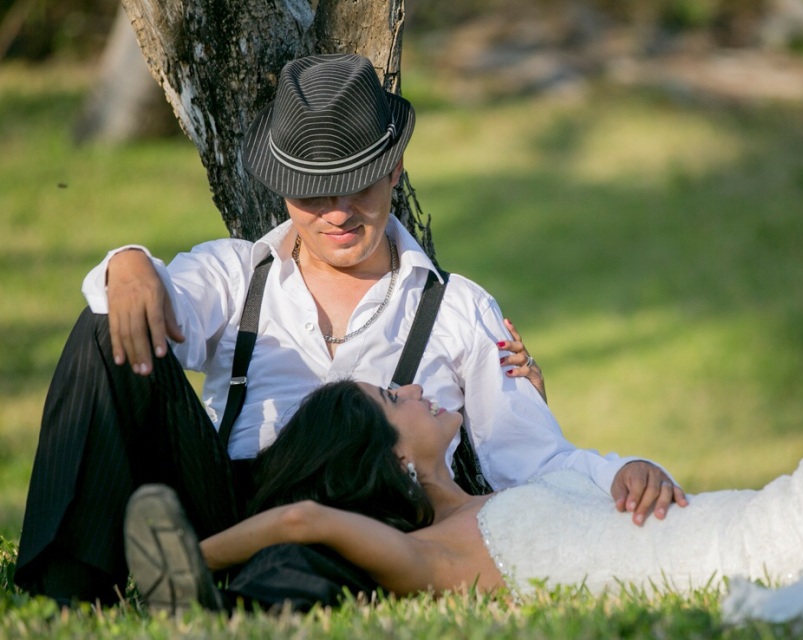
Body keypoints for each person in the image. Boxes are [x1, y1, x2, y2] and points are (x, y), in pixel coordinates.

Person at [15, 53, 683, 608]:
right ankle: (66, 593)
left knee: (320, 564)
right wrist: (128, 263)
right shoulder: (235, 275)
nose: (336, 212)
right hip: (228, 499)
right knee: (110, 322)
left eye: (357, 185)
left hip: (373, 518)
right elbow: (142, 296)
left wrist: (623, 471)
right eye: (312, 190)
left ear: (393, 171)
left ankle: (236, 598)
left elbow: (530, 454)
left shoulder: (456, 309)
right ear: (281, 189)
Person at [126, 297, 803, 614]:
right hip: (753, 557)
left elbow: (586, 473)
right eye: (396, 399)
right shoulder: (434, 558)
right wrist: (174, 570)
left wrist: (634, 470)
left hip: (735, 515)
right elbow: (301, 517)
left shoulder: (499, 489)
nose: (418, 387)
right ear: (392, 462)